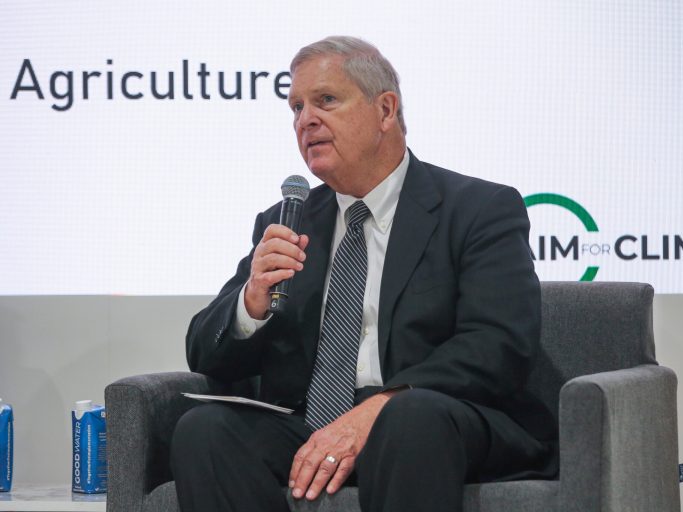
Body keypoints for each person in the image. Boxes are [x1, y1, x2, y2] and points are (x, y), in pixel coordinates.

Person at [170, 36, 557, 512]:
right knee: (204, 430)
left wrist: (381, 405)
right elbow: (203, 350)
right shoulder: (288, 221)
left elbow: (500, 344)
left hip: (434, 417)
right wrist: (251, 303)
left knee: (408, 418)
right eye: (295, 108)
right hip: (312, 423)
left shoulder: (479, 209)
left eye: (325, 100)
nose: (305, 119)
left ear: (386, 110)